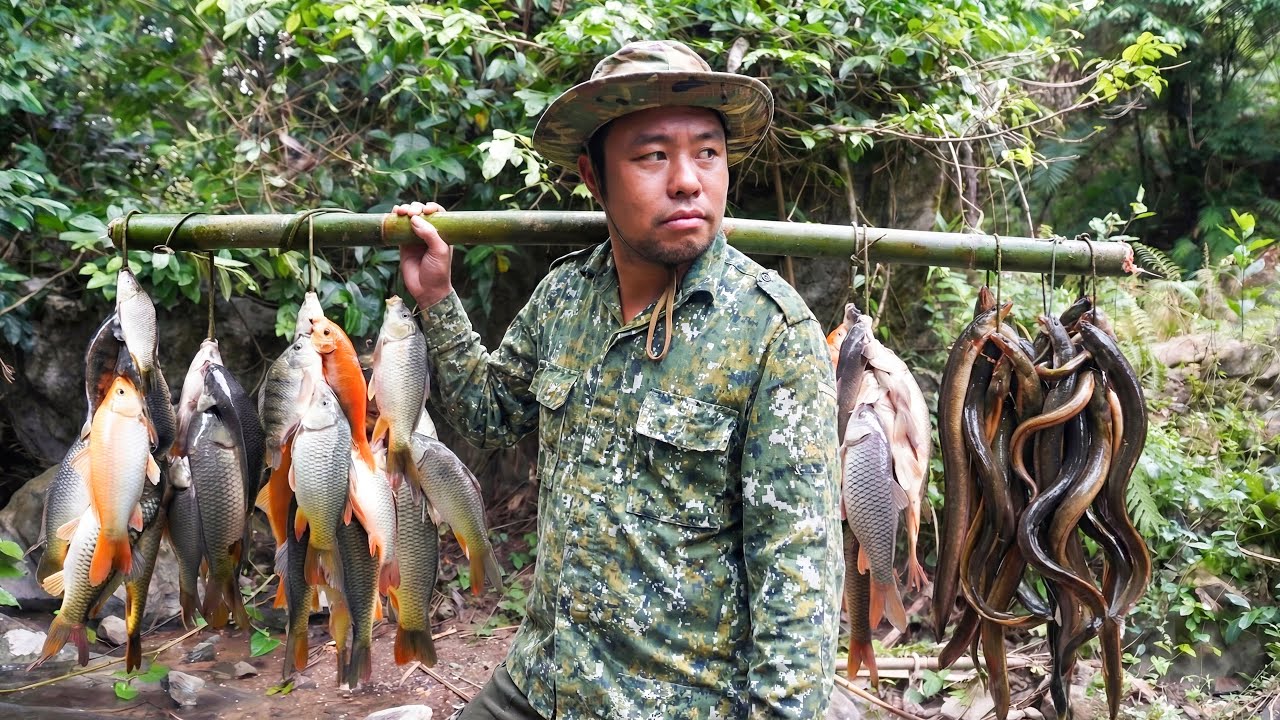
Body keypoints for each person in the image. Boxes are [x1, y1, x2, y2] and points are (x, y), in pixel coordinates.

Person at [396, 39, 842, 720]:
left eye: (707, 153)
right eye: (653, 156)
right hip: (542, 677)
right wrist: (437, 300)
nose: (688, 180)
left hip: (676, 702)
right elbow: (488, 417)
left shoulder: (772, 333)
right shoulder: (565, 297)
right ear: (594, 177)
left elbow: (799, 580)